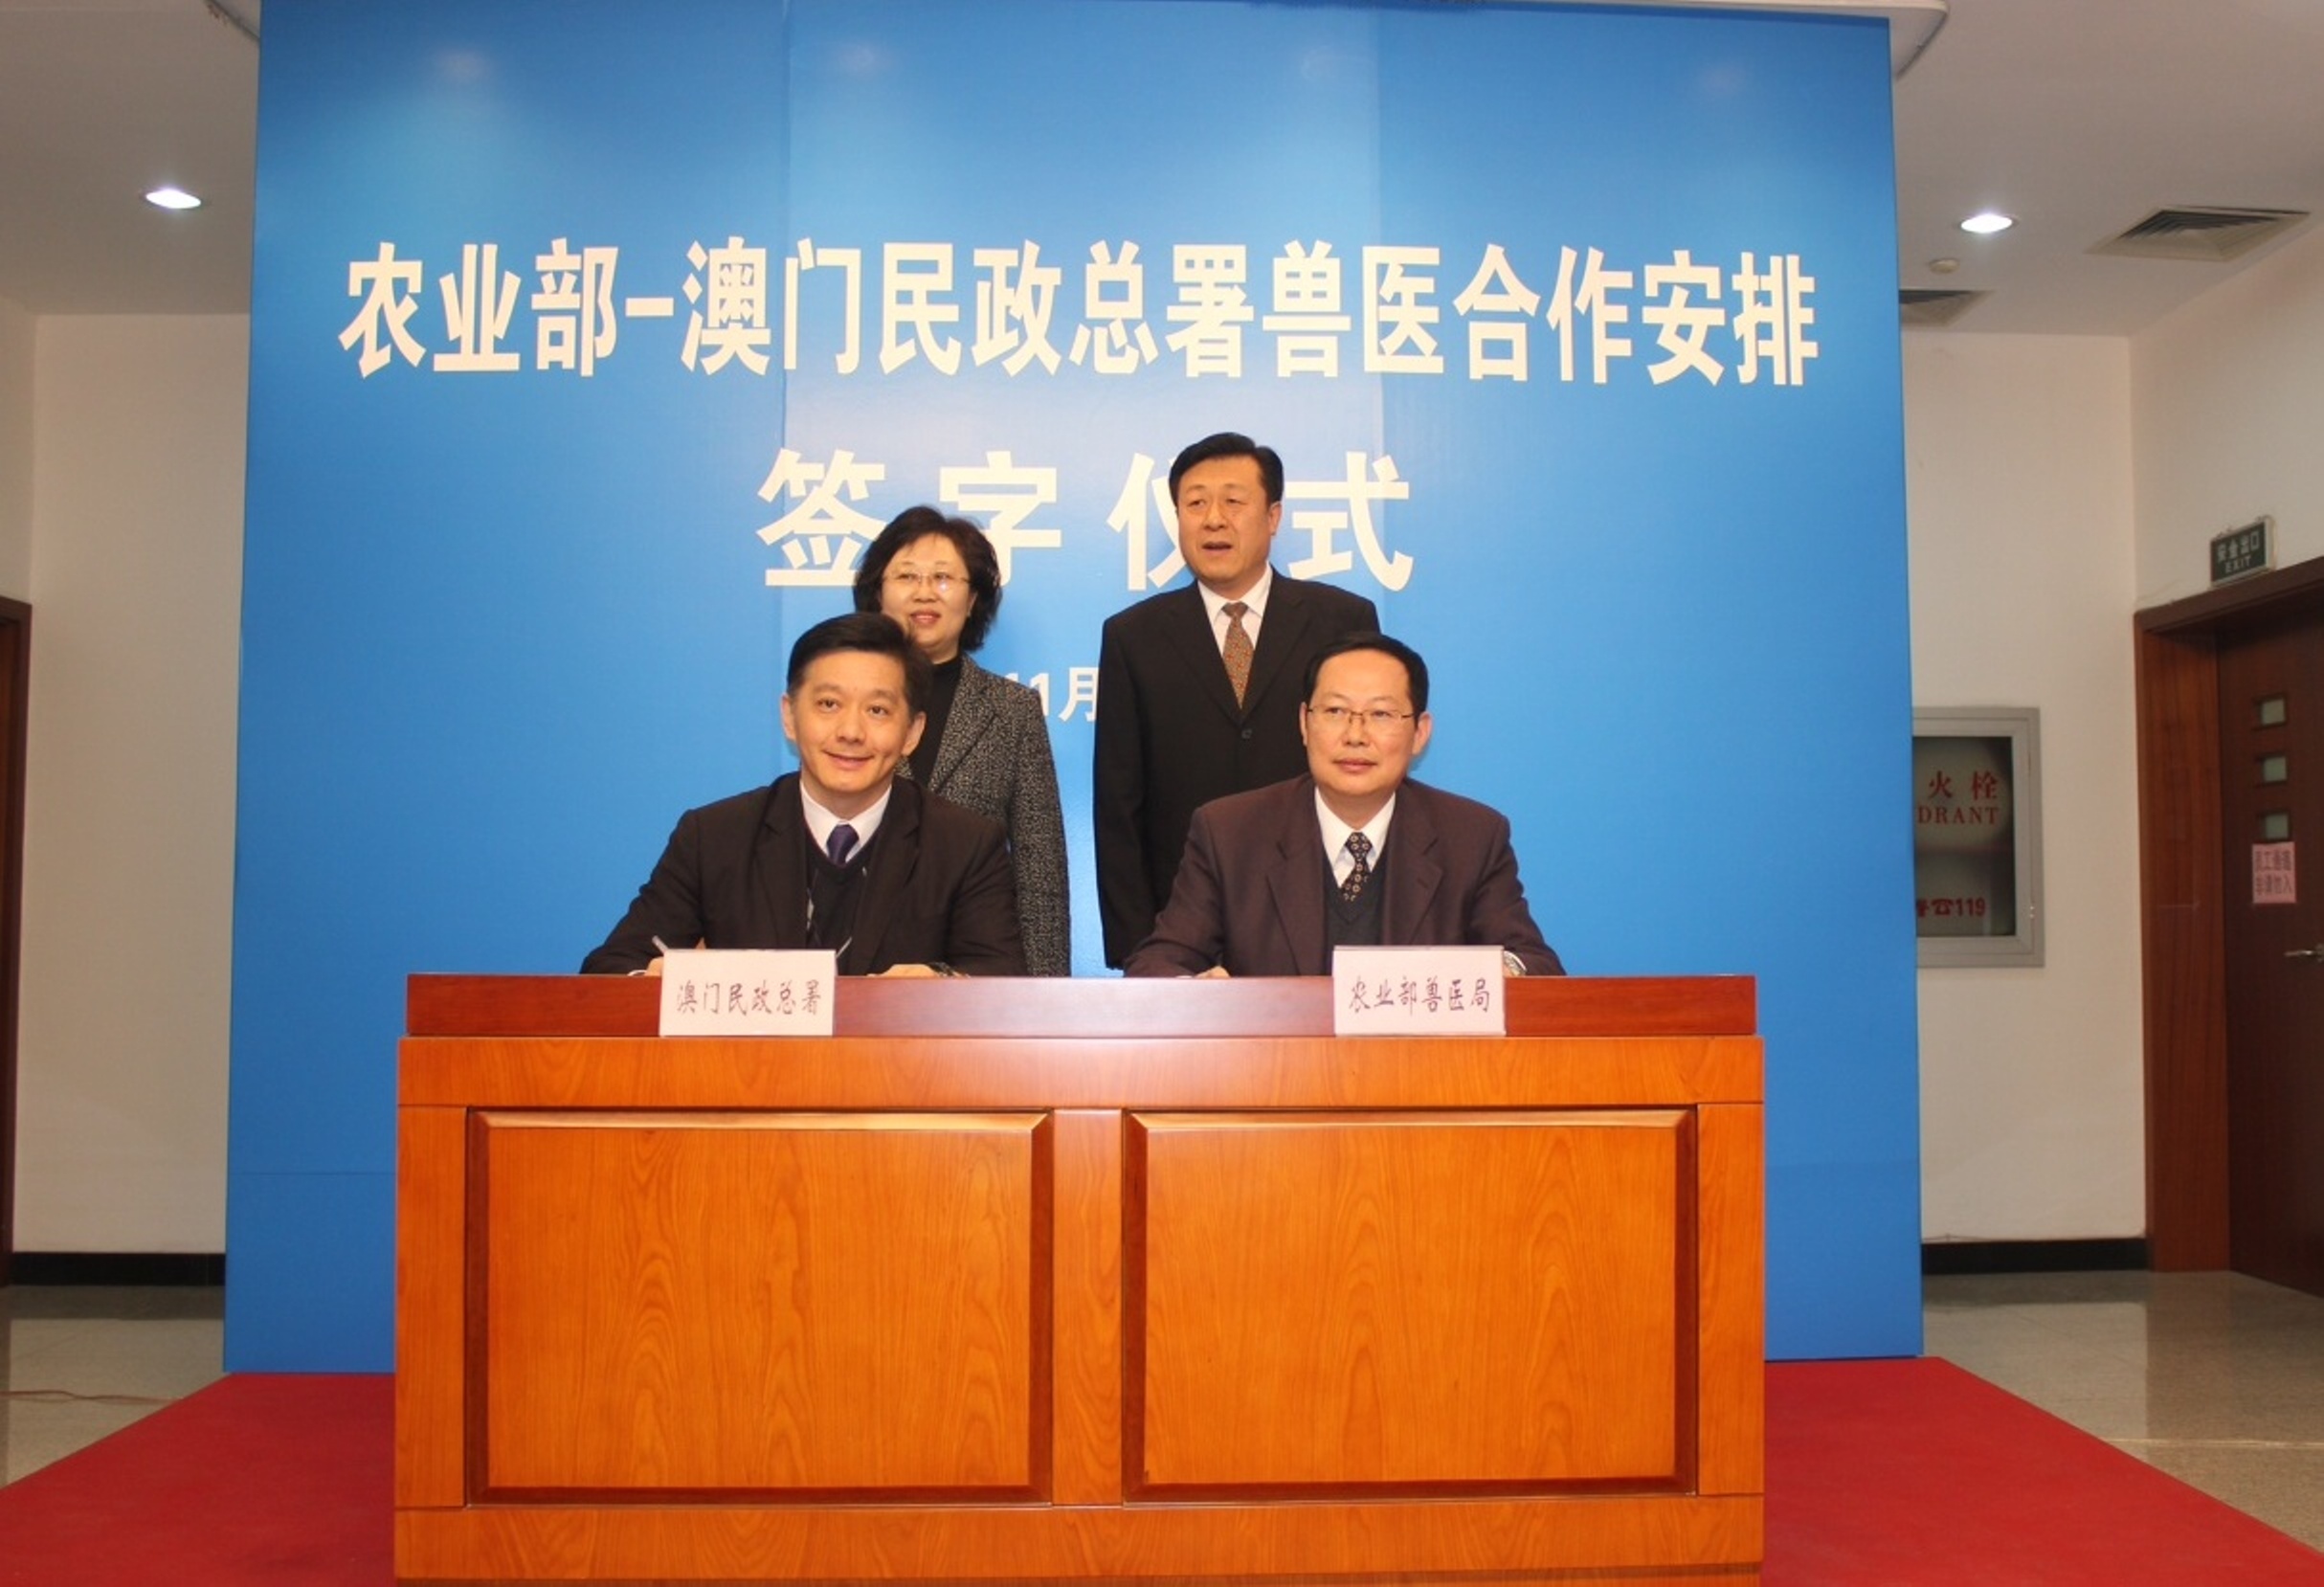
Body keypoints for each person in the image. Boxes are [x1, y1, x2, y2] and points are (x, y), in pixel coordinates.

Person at [581, 612, 1025, 976]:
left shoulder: (964, 845)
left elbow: (1001, 984)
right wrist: (654, 982)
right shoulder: (714, 836)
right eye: (828, 704)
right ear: (790, 716)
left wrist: (944, 984)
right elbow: (612, 968)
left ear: (912, 732)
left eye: (877, 710)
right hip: (752, 1062)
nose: (850, 732)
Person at [1093, 432, 1378, 967]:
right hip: (1184, 930)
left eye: (1233, 501)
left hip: (1321, 919)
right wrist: (1141, 953)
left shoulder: (1342, 620)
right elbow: (1119, 806)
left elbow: (1368, 769)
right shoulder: (1134, 636)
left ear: (1273, 517)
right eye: (1195, 503)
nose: (1213, 519)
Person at [1124, 633, 1562, 978]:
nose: (1355, 736)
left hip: (1417, 1067)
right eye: (1335, 711)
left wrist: (1501, 973)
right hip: (1279, 1067)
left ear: (1420, 733)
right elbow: (1158, 964)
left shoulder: (1471, 836)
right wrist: (1195, 991)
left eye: (1381, 714)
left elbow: (1534, 963)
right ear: (1304, 723)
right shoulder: (1230, 832)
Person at [853, 505, 1071, 975]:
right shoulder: (846, 702)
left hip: (977, 961)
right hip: (860, 961)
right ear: (878, 592)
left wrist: (1042, 996)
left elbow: (1039, 868)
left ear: (972, 599)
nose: (925, 592)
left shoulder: (1012, 710)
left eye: (943, 577)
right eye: (907, 576)